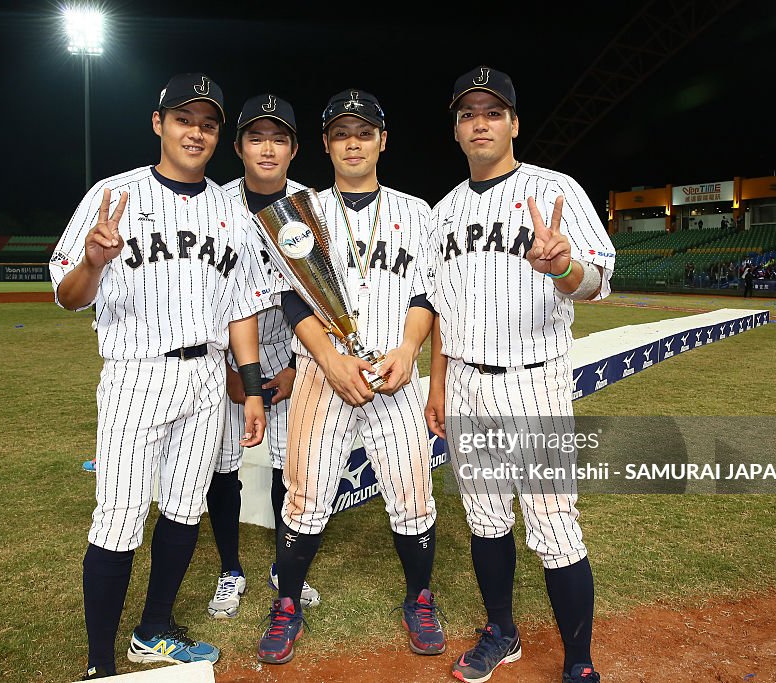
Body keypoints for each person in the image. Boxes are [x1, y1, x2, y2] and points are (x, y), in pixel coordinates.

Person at [49, 72, 275, 680]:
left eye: (206, 123)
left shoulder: (232, 213)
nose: (195, 132)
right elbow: (68, 296)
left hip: (206, 379)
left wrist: (251, 390)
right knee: (119, 518)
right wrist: (94, 262)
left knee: (182, 510)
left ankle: (152, 633)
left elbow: (242, 306)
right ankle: (100, 666)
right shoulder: (112, 194)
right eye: (183, 119)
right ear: (159, 124)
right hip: (135, 374)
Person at [425, 66, 616, 683]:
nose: (479, 123)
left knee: (555, 525)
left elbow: (596, 282)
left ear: (513, 122)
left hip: (534, 378)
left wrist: (563, 266)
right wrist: (437, 386)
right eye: (467, 114)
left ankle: (579, 662)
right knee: (484, 518)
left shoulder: (554, 188)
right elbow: (438, 310)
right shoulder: (444, 211)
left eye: (492, 112)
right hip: (466, 383)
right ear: (457, 131)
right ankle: (502, 633)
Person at [255, 88, 445, 664]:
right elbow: (290, 297)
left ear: (382, 141)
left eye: (364, 133)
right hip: (322, 373)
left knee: (413, 498)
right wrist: (331, 360)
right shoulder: (300, 209)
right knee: (305, 498)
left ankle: (419, 596)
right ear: (326, 144)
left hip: (393, 374)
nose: (353, 143)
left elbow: (426, 292)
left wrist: (410, 348)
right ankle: (287, 602)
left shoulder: (417, 212)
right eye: (342, 134)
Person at [205, 93, 322, 620]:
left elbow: (327, 294)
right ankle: (231, 568)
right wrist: (230, 369)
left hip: (294, 358)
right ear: (239, 146)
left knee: (287, 468)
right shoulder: (213, 203)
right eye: (257, 137)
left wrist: (301, 366)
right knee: (220, 467)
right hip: (227, 359)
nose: (267, 148)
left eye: (278, 138)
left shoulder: (312, 206)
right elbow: (202, 291)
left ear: (294, 149)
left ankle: (283, 565)